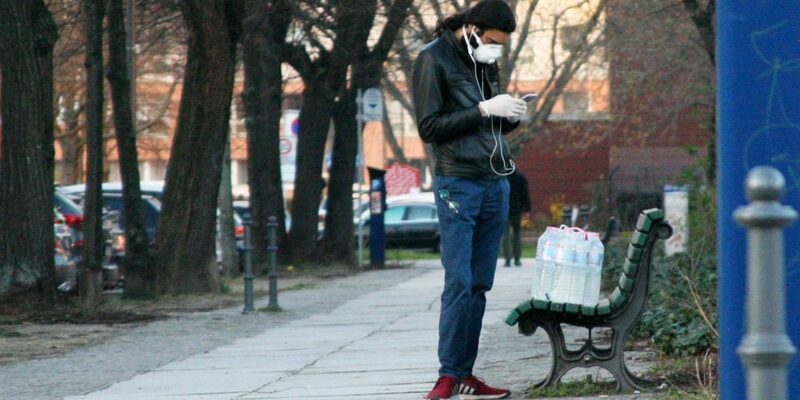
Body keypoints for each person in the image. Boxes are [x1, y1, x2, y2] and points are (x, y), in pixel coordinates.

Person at [411, 1, 527, 399]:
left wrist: (510, 113)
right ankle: (447, 376)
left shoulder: (484, 62)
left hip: (496, 181)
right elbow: (430, 127)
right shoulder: (433, 59)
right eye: (493, 41)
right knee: (459, 282)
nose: (496, 50)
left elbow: (490, 125)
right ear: (473, 28)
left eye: (501, 45)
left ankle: (465, 373)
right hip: (458, 183)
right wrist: (482, 108)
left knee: (479, 284)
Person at [502, 169, 531, 267]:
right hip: (517, 209)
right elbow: (525, 194)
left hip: (504, 209)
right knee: (517, 233)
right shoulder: (520, 178)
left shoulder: (503, 178)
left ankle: (507, 259)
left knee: (505, 234)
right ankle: (517, 258)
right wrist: (527, 209)